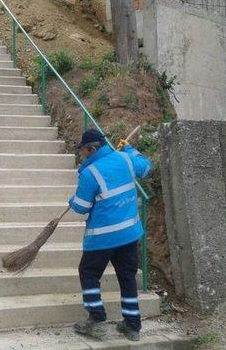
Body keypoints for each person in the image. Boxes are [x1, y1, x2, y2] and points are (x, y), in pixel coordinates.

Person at [68, 129, 152, 341]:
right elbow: (146, 166)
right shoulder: (125, 158)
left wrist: (72, 200)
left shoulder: (90, 173)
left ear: (92, 148)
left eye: (84, 150)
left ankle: (96, 320)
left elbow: (81, 207)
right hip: (129, 234)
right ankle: (133, 327)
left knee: (88, 272)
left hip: (103, 237)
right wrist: (131, 149)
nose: (82, 154)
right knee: (127, 276)